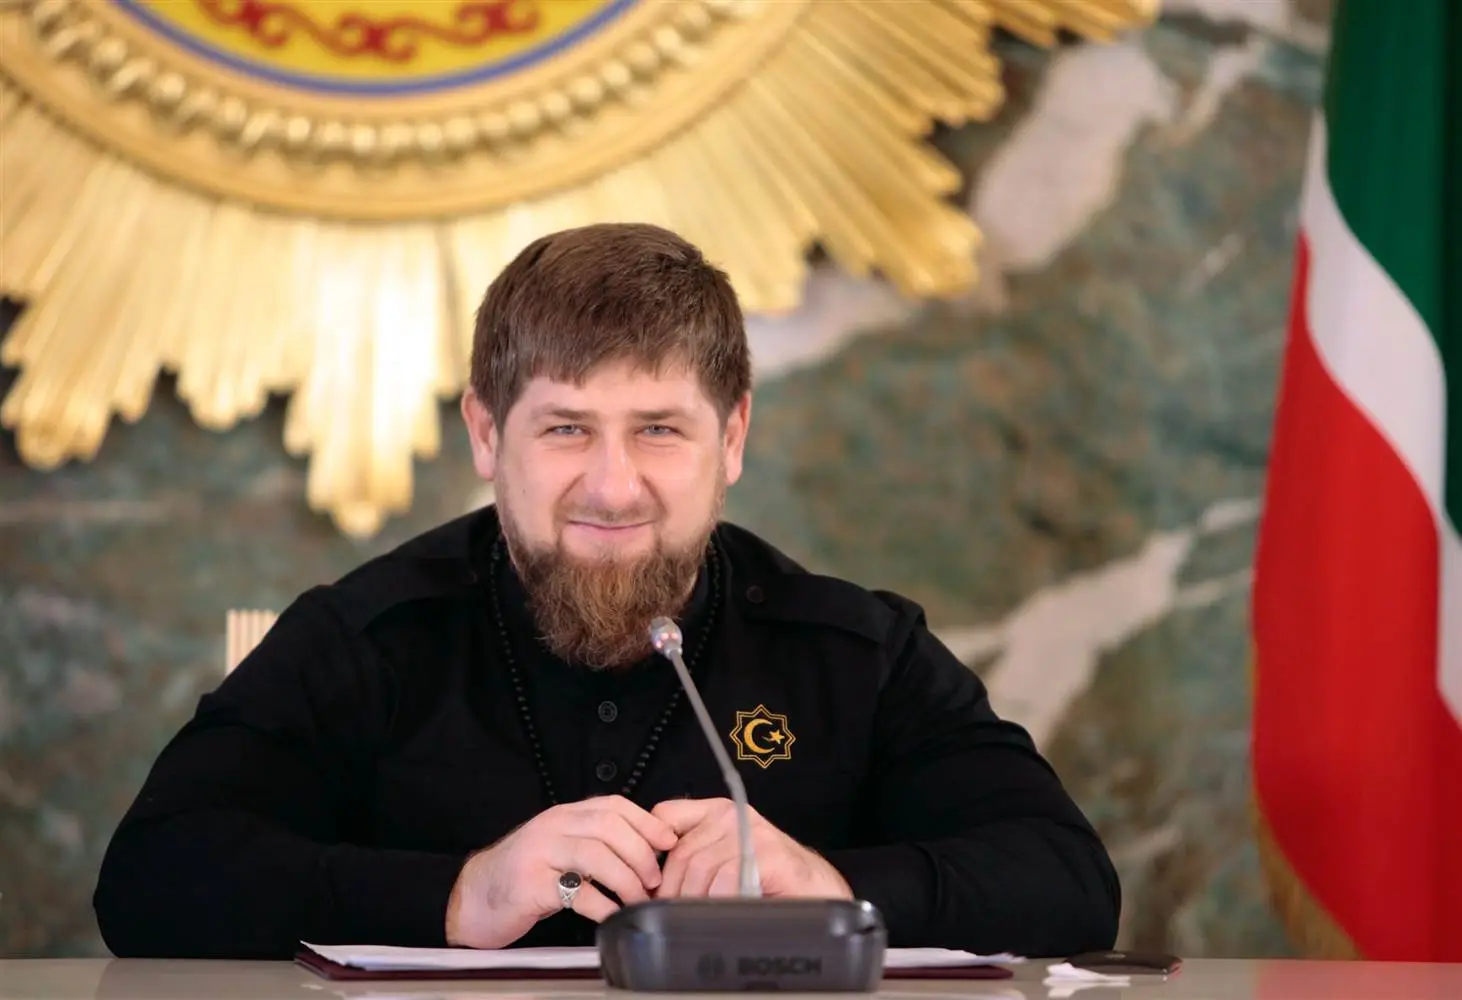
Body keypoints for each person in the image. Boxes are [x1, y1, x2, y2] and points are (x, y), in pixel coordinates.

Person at [93, 223, 1120, 960]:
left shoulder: (858, 651)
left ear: (733, 437)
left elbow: (1069, 883)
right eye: (566, 429)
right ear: (487, 435)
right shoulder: (365, 637)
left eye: (659, 430)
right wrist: (459, 894)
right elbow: (150, 880)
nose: (613, 486)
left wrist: (832, 886)